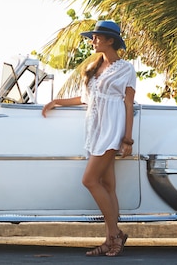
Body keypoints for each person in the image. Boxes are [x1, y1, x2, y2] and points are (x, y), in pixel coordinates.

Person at [42, 20, 136, 257]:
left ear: (110, 40)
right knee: (107, 185)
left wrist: (127, 138)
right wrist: (56, 102)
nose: (92, 41)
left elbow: (128, 103)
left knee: (89, 180)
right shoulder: (95, 67)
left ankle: (115, 236)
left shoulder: (126, 69)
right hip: (94, 129)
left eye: (96, 37)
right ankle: (109, 240)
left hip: (111, 129)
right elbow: (85, 99)